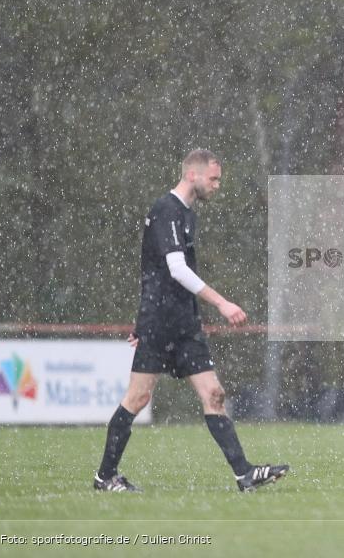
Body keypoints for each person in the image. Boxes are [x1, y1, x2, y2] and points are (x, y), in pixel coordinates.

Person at [93, 149, 288, 493]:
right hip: (160, 324)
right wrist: (222, 303)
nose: (217, 185)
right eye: (213, 178)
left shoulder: (186, 215)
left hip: (183, 325)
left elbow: (155, 270)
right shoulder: (166, 209)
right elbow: (175, 269)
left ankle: (244, 474)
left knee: (214, 394)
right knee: (137, 399)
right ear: (192, 175)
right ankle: (105, 476)